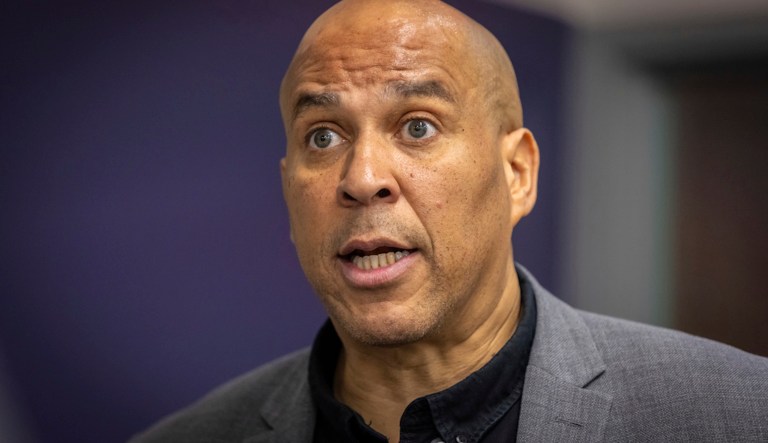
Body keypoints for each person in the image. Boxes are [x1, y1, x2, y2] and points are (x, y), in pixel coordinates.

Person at [131, 0, 768, 441]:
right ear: (287, 191)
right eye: (322, 137)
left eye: (417, 126)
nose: (361, 178)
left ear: (517, 174)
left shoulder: (738, 416)